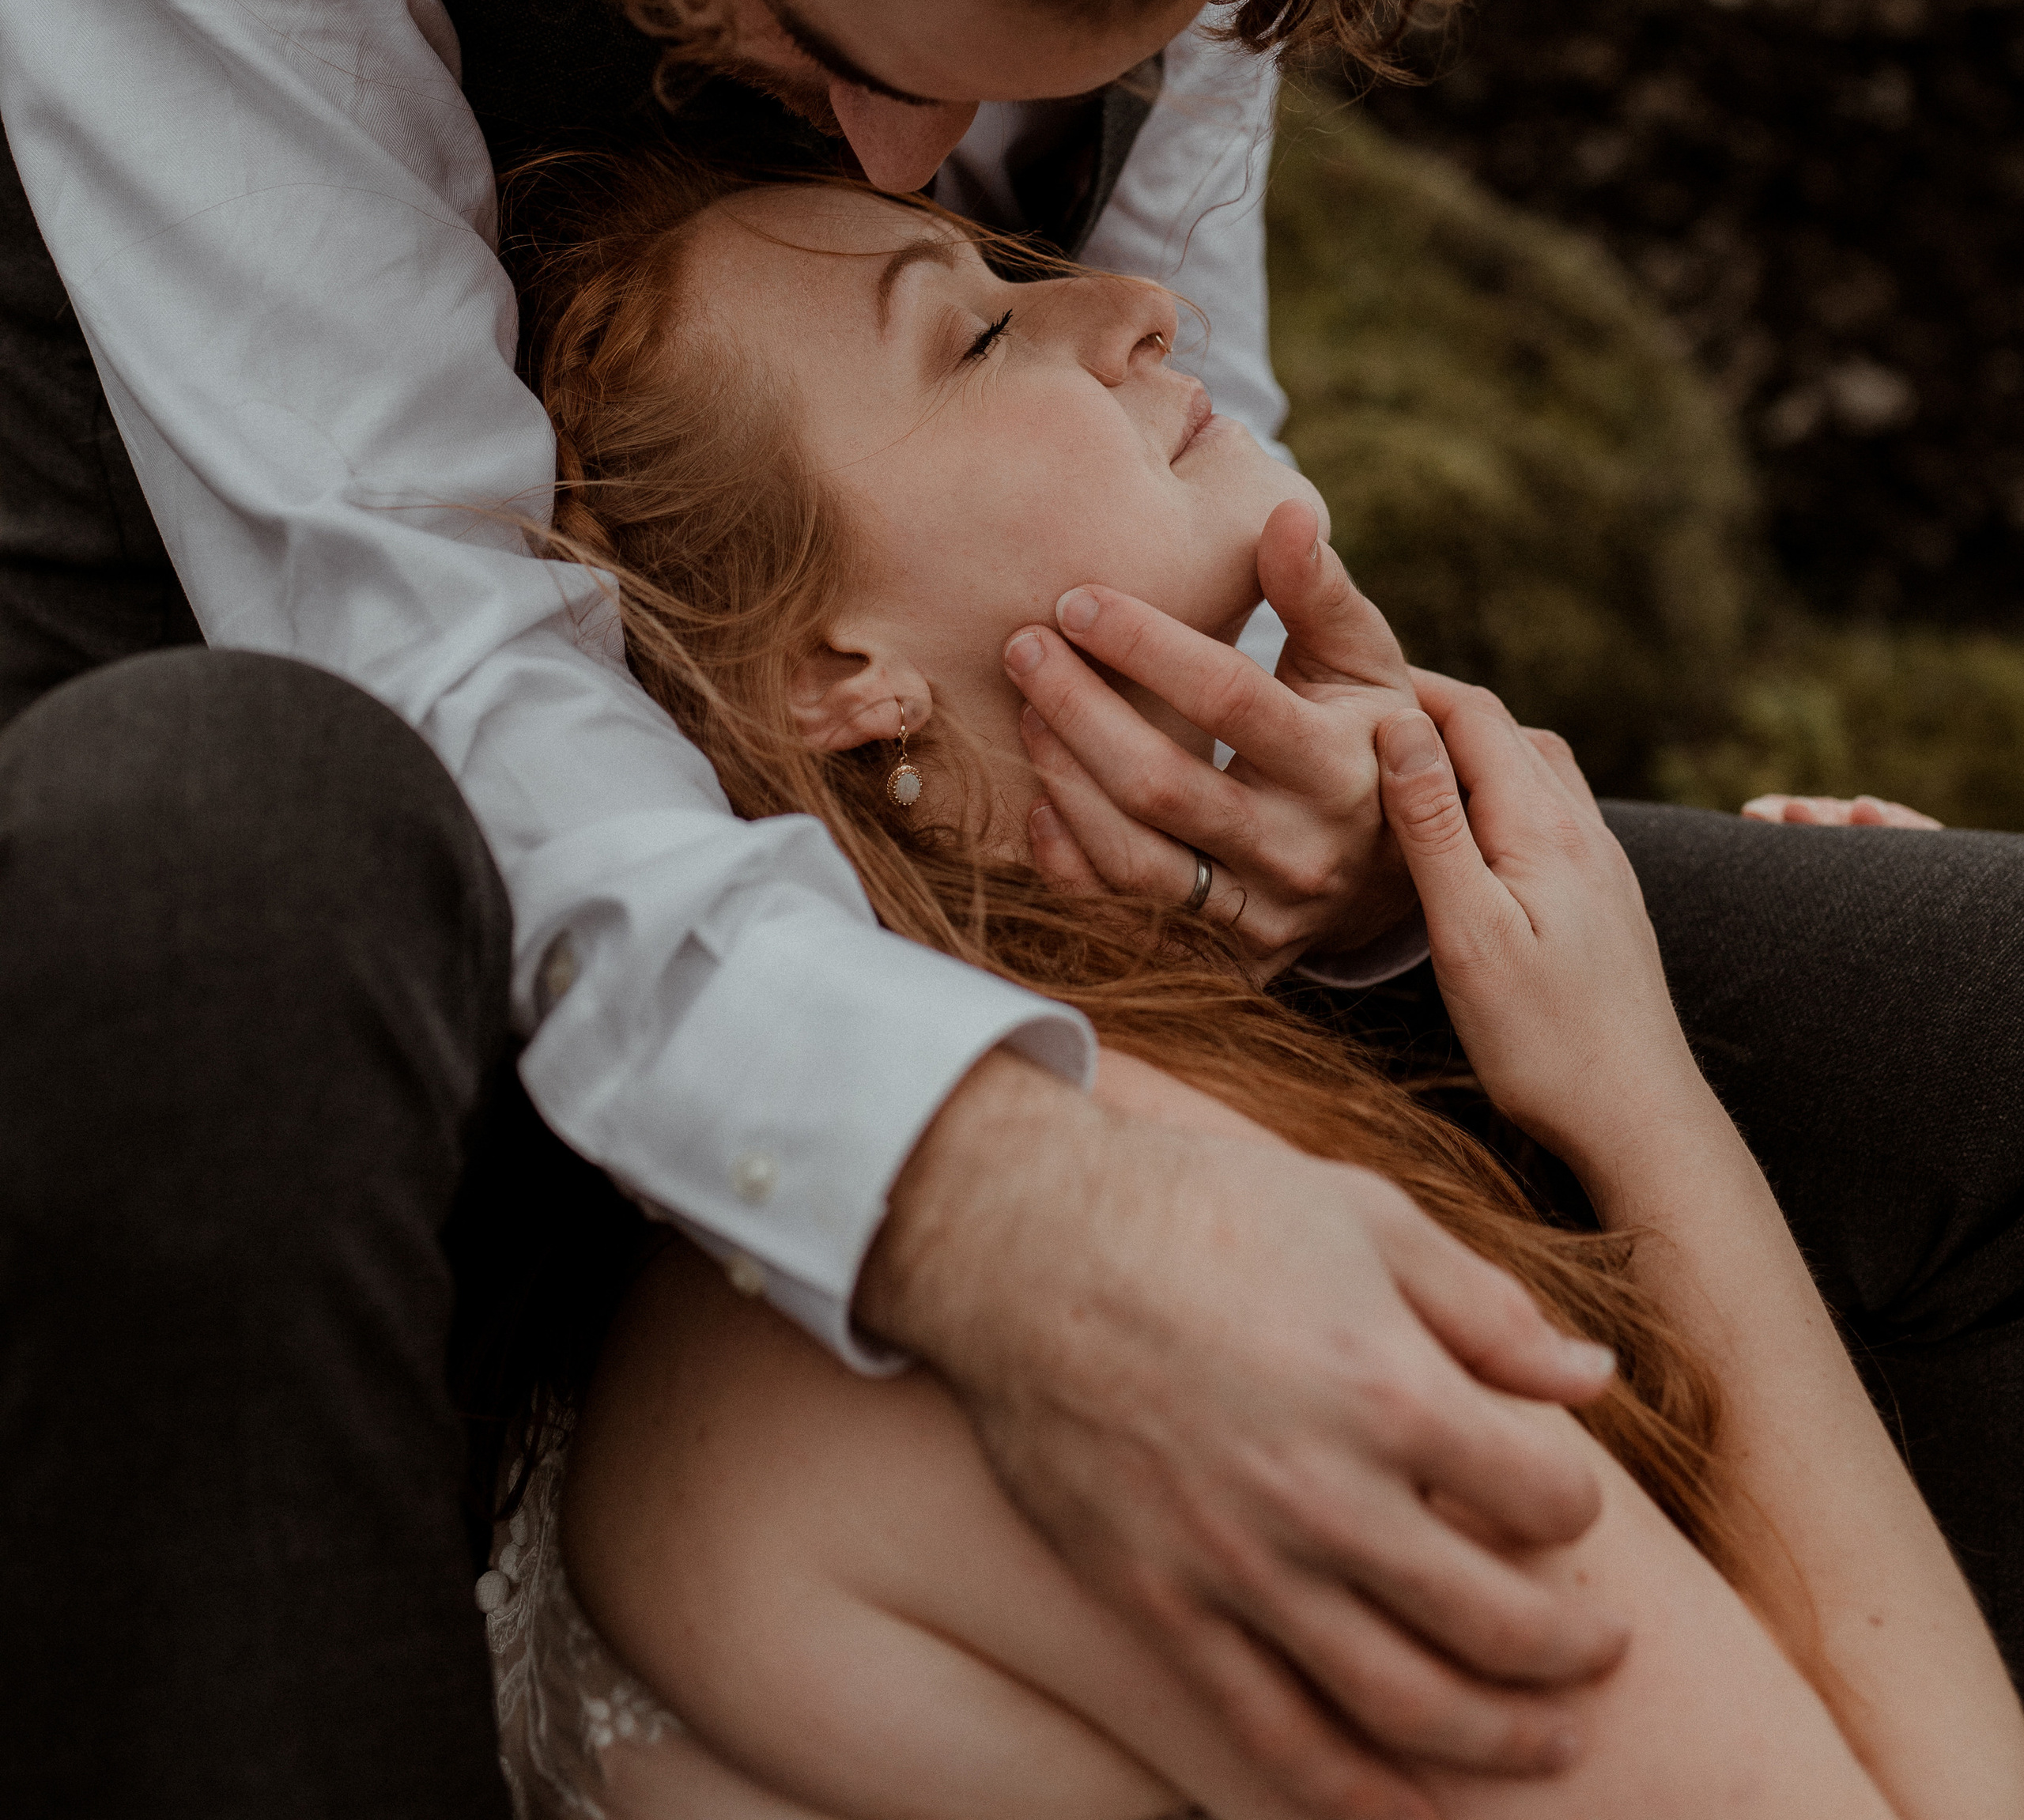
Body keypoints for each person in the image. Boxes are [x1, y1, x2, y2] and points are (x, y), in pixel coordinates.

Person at [0, 0, 2018, 1820]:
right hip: (301, 1031)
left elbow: (1224, 454)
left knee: (1956, 1008)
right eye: (858, 51)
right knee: (224, 836)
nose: (940, 147)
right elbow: (430, 636)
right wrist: (1010, 1208)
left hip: (895, 818)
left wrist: (1333, 777)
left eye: (1046, 88)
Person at [478, 157, 2024, 1819]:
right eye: (978, 338)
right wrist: (1636, 1089)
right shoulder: (1138, 1286)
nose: (1139, 305)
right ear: (835, 676)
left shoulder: (1096, 1111)